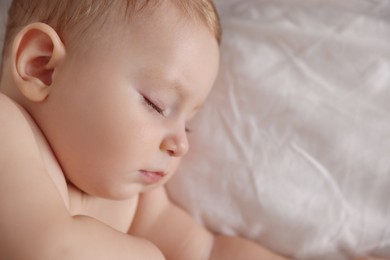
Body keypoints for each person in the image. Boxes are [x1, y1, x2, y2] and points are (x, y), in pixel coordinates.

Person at [0, 0, 291, 259]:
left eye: (187, 124)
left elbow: (207, 251)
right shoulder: (7, 124)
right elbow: (46, 250)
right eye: (157, 105)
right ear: (42, 68)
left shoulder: (135, 203)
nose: (181, 145)